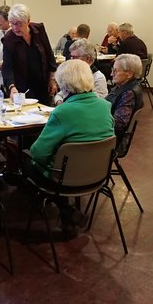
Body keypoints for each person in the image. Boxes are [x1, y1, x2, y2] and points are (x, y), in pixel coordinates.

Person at [25, 60, 114, 235]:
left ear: (63, 84)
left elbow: (38, 153)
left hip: (65, 178)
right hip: (98, 174)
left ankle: (59, 208)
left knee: (26, 161)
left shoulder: (62, 112)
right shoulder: (105, 106)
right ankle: (67, 211)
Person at [2, 3, 57, 105]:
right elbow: (7, 67)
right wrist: (11, 87)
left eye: (19, 23)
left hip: (42, 82)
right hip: (23, 86)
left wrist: (52, 79)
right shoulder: (9, 39)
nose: (15, 27)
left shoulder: (39, 30)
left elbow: (49, 54)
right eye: (12, 23)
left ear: (28, 21)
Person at [55, 39, 107, 104]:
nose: (71, 60)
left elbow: (97, 103)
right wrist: (59, 101)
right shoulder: (73, 74)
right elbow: (60, 94)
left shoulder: (98, 78)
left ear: (88, 58)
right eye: (71, 57)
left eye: (75, 57)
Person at [105, 54, 143, 136]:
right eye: (112, 70)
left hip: (110, 135)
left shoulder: (129, 93)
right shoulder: (123, 86)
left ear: (129, 74)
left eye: (115, 71)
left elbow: (120, 123)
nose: (111, 74)